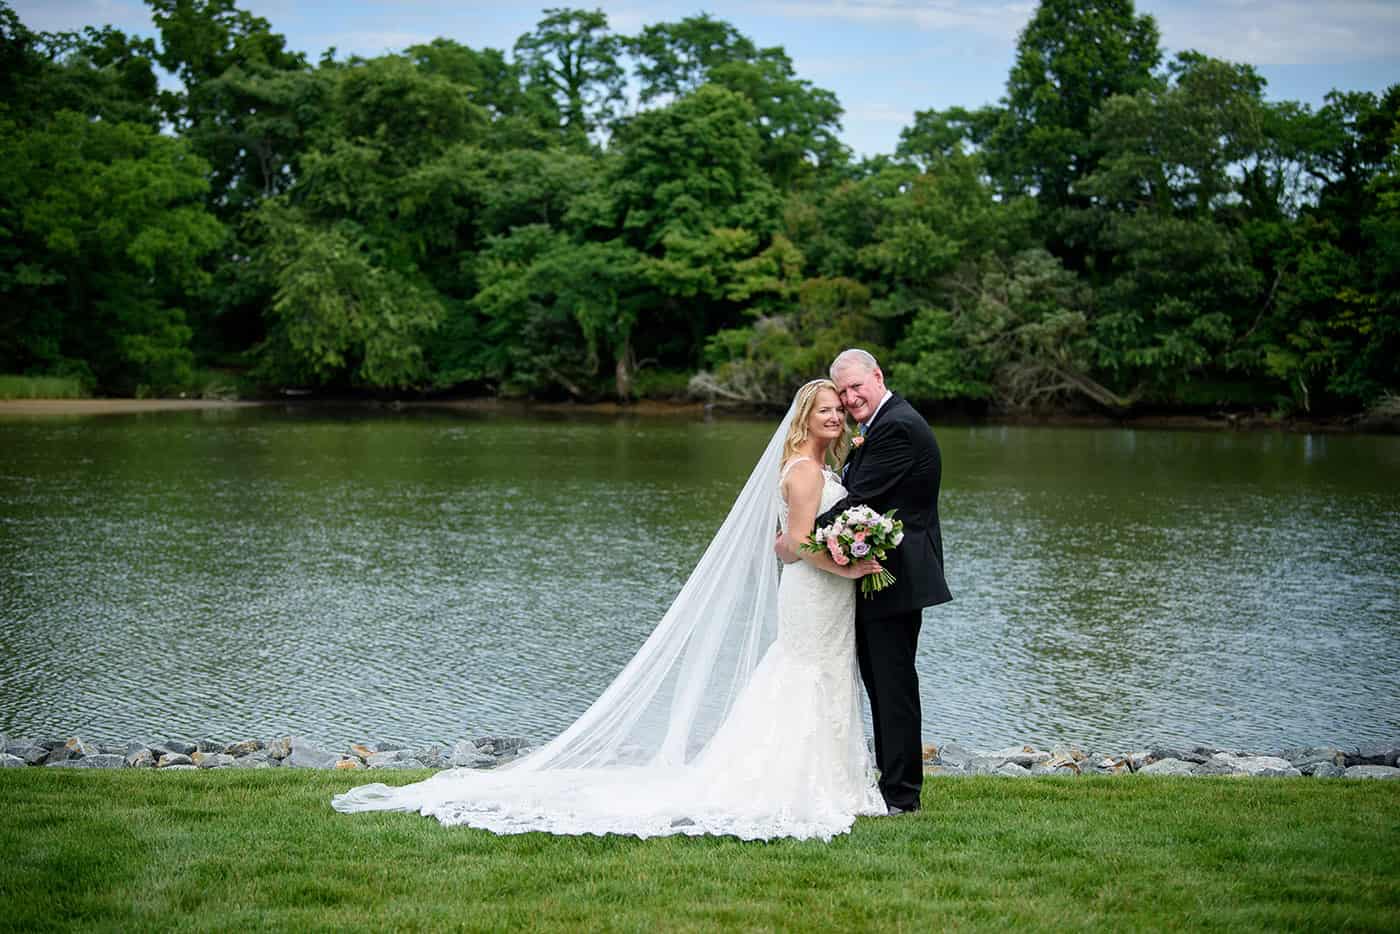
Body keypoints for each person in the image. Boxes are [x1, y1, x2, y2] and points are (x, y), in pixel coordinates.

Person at [332, 379, 887, 840]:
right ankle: (795, 783)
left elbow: (787, 545)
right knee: (803, 675)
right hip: (815, 593)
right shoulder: (805, 471)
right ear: (804, 417)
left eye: (838, 410)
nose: (834, 417)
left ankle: (829, 781)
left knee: (820, 674)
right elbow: (797, 543)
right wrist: (847, 564)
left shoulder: (812, 467)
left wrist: (843, 549)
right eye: (824, 410)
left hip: (821, 592)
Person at [777, 349, 951, 815]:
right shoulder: (878, 426)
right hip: (866, 578)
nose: (850, 399)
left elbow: (857, 501)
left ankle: (902, 796)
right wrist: (800, 538)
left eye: (856, 387)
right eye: (842, 393)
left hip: (893, 580)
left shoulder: (896, 426)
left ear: (878, 376)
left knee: (893, 687)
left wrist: (795, 540)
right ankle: (887, 786)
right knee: (880, 684)